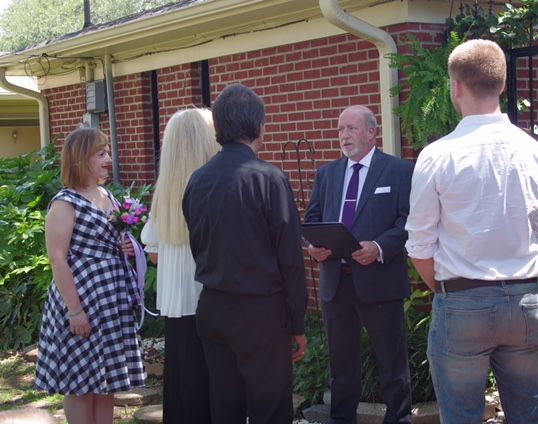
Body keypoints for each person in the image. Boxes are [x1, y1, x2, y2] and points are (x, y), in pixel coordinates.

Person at [405, 39, 538, 424]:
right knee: (526, 413)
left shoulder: (438, 155)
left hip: (462, 299)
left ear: (455, 87)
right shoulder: (533, 150)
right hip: (523, 299)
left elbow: (419, 244)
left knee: (461, 416)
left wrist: (447, 290)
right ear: (502, 85)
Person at [182, 83, 308, 423]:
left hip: (213, 306)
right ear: (259, 126)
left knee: (225, 408)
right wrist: (298, 321)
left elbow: (198, 243)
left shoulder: (197, 180)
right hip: (260, 312)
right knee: (270, 409)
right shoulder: (269, 179)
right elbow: (290, 260)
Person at [305, 105, 413, 423]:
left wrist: (379, 247)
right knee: (341, 364)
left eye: (351, 128)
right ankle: (341, 419)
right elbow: (313, 219)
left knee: (392, 361)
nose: (344, 135)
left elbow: (409, 220)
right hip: (336, 282)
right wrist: (313, 246)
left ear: (371, 132)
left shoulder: (398, 171)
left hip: (379, 280)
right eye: (340, 129)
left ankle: (399, 418)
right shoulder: (327, 174)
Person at [35, 127, 146, 424]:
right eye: (101, 153)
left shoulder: (106, 194)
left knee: (106, 379)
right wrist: (75, 311)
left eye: (108, 152)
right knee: (80, 382)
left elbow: (107, 240)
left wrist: (127, 246)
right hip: (82, 300)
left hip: (110, 301)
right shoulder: (64, 202)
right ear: (81, 158)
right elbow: (58, 259)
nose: (108, 158)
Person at [140, 108, 218, 423]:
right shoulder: (214, 188)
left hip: (176, 305)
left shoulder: (166, 194)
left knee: (183, 387)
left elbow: (153, 251)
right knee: (213, 387)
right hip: (211, 299)